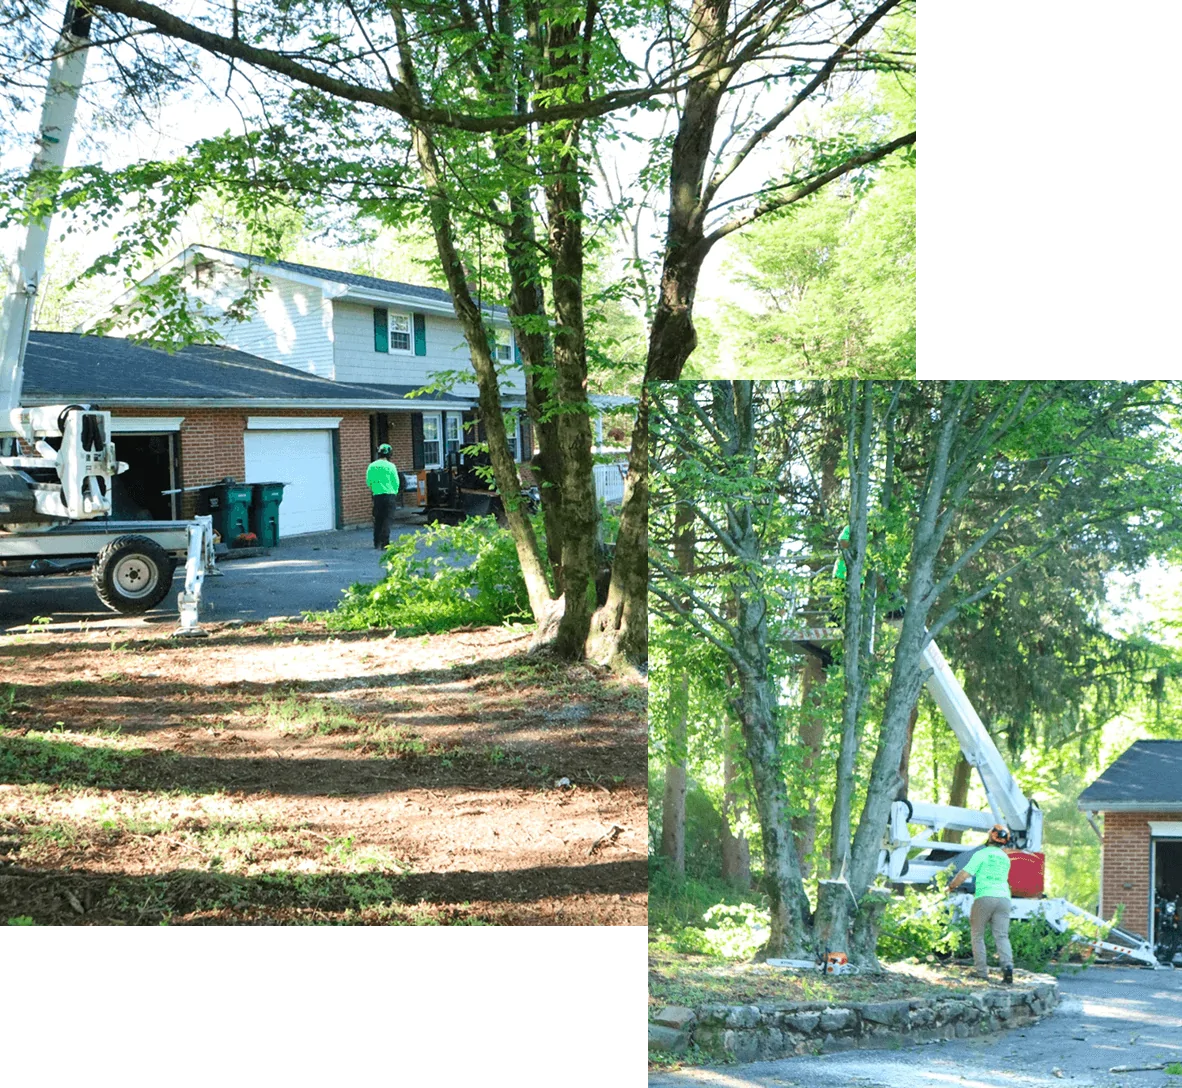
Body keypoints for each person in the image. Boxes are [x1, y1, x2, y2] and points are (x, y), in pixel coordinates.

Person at [948, 825, 1015, 984]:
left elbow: (964, 874)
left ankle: (981, 972)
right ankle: (1008, 968)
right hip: (1004, 898)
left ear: (990, 837)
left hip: (985, 897)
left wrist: (951, 886)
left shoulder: (982, 854)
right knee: (1002, 935)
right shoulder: (1005, 858)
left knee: (977, 934)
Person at [366, 443, 401, 550]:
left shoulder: (372, 466)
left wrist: (374, 489)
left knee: (378, 519)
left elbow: (368, 481)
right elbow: (396, 482)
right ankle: (385, 543)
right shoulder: (391, 466)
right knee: (387, 519)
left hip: (377, 496)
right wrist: (395, 492)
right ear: (390, 454)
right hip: (390, 495)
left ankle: (376, 542)